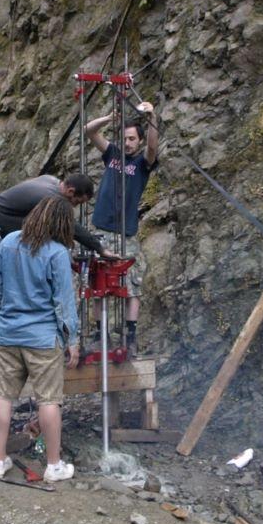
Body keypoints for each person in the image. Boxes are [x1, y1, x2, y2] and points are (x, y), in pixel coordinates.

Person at [0, 195, 81, 484]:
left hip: (8, 334)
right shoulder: (56, 253)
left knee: (3, 395)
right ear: (62, 224)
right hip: (42, 338)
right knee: (49, 400)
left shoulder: (8, 242)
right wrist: (72, 339)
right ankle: (53, 466)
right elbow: (63, 302)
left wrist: (2, 316)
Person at [0, 172, 104, 345]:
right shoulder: (49, 197)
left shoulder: (51, 181)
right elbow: (71, 227)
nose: (74, 207)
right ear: (70, 191)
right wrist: (99, 248)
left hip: (4, 227)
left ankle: (5, 332)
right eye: (77, 202)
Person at [85, 100, 161, 351]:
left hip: (126, 231)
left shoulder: (142, 164)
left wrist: (152, 117)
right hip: (101, 228)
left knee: (132, 284)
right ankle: (100, 333)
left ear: (137, 141)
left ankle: (130, 333)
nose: (127, 143)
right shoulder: (112, 155)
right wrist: (109, 119)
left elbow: (152, 146)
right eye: (124, 138)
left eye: (131, 139)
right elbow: (89, 131)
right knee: (98, 282)